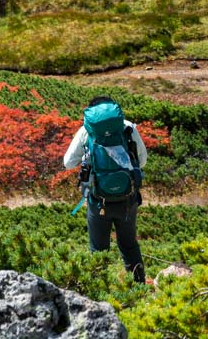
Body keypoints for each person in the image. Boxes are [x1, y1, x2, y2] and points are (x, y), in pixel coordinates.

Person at [63, 95, 149, 281]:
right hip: (128, 199)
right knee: (129, 245)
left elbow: (68, 163)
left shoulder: (87, 131)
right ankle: (139, 287)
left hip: (98, 201)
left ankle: (101, 290)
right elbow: (142, 161)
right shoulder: (128, 128)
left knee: (98, 248)